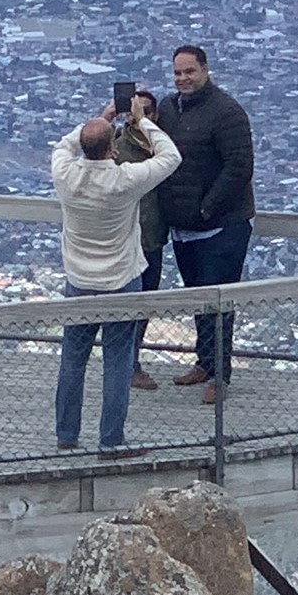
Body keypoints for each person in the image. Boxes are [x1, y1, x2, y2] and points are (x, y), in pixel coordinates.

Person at [49, 97, 181, 456]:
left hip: (79, 282)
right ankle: (111, 440)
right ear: (113, 147)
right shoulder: (125, 180)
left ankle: (66, 435)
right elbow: (171, 157)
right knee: (118, 363)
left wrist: (100, 118)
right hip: (121, 281)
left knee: (73, 360)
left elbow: (63, 146)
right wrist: (142, 121)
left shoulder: (65, 175)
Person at [155, 45, 256, 407]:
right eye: (177, 72)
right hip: (184, 227)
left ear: (205, 70)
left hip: (222, 227)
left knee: (219, 302)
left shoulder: (227, 112)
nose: (183, 78)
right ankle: (204, 362)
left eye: (189, 71)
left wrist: (206, 208)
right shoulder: (169, 108)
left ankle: (219, 375)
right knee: (198, 297)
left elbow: (239, 167)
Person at [111, 89, 169, 390]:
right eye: (135, 109)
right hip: (129, 239)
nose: (138, 115)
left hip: (154, 236)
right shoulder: (118, 146)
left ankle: (130, 365)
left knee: (145, 305)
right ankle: (127, 367)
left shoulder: (162, 145)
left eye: (145, 110)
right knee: (129, 307)